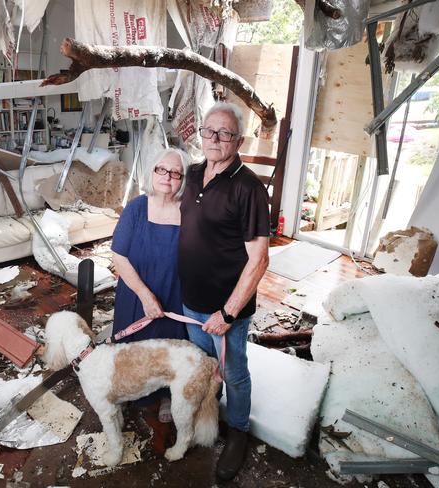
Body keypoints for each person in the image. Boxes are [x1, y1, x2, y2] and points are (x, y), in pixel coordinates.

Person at [178, 102, 270, 481]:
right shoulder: (194, 173)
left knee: (234, 374)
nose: (215, 139)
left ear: (239, 139)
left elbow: (260, 260)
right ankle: (207, 418)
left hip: (224, 311)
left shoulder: (249, 188)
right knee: (204, 369)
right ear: (201, 133)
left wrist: (229, 313)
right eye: (209, 131)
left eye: (225, 133)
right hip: (190, 302)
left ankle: (238, 434)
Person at [111, 147, 192, 448]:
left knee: (169, 349)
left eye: (175, 172)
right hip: (136, 293)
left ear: (182, 178)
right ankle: (133, 392)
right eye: (161, 169)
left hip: (173, 292)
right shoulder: (136, 207)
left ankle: (167, 397)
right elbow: (119, 255)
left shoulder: (189, 211)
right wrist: (145, 295)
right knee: (134, 349)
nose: (167, 177)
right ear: (152, 172)